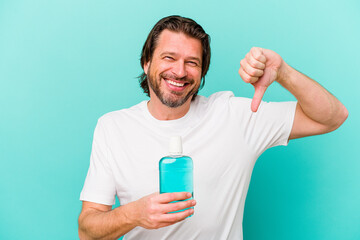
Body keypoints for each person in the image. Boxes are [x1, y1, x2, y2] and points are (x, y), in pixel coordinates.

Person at [78, 15, 348, 240]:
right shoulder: (113, 127)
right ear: (146, 62)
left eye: (192, 62)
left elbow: (332, 116)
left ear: (202, 72)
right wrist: (133, 214)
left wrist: (283, 72)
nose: (180, 71)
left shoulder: (235, 115)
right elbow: (87, 231)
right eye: (169, 57)